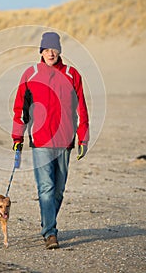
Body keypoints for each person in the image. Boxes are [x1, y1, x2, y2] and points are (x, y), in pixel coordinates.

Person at [12, 32, 89, 249]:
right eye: (46, 49)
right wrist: (17, 136)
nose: (50, 53)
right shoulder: (31, 74)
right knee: (46, 187)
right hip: (41, 140)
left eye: (54, 49)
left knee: (58, 190)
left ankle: (47, 221)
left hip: (65, 140)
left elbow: (82, 108)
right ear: (41, 52)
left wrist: (83, 137)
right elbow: (20, 108)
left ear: (59, 51)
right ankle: (50, 233)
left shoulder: (73, 75)